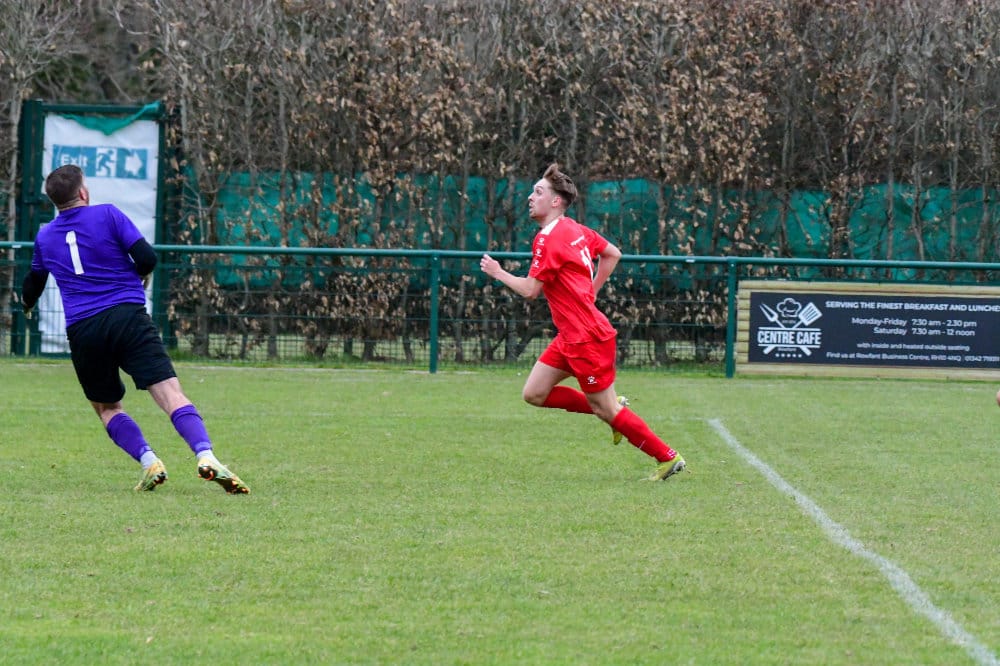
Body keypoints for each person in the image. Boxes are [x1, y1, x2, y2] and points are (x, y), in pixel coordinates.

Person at [20, 164, 249, 494]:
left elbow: (34, 282)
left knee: (107, 408)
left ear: (55, 201)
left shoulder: (45, 237)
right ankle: (205, 455)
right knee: (170, 393)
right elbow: (146, 258)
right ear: (83, 192)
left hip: (84, 330)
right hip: (128, 317)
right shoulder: (108, 214)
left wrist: (26, 304)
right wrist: (140, 274)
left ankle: (148, 461)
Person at [479, 163, 686, 480]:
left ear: (556, 201)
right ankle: (613, 408)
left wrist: (498, 273)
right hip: (571, 336)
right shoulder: (575, 229)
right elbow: (613, 253)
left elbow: (531, 290)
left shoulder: (547, 240)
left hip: (586, 339)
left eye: (538, 192)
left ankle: (667, 457)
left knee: (608, 410)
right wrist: (591, 291)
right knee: (534, 393)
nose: (530, 197)